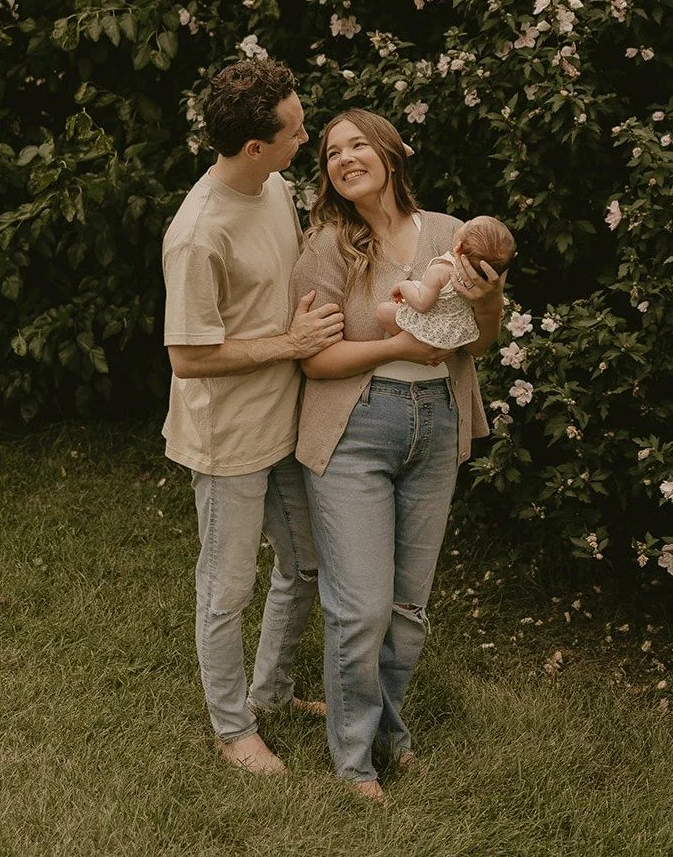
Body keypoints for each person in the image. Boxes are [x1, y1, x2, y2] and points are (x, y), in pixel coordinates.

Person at [289, 110, 505, 799]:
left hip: (436, 424)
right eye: (330, 151)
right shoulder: (326, 245)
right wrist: (398, 348)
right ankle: (354, 761)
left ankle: (386, 727)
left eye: (357, 144)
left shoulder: (449, 234)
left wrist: (490, 295)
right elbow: (315, 362)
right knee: (360, 608)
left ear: (389, 152)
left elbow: (479, 338)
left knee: (408, 605)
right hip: (356, 426)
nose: (344, 157)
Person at [161, 57, 344, 776]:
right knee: (227, 587)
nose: (308, 139)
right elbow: (186, 356)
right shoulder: (198, 232)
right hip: (228, 439)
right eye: (296, 131)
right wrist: (290, 343)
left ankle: (271, 689)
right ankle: (233, 728)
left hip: (285, 421)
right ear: (254, 146)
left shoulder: (273, 187)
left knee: (302, 565)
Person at [375, 215, 516, 349]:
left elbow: (422, 304)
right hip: (457, 332)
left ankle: (414, 342)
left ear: (459, 246)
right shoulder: (480, 283)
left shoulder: (441, 271)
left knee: (383, 311)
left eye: (468, 222)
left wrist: (404, 285)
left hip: (436, 328)